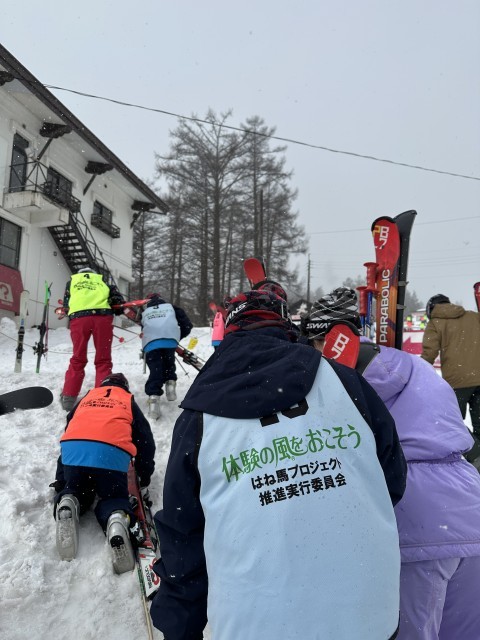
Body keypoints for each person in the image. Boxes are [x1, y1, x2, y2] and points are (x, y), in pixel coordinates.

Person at [149, 289, 406, 640]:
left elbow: (184, 536)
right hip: (369, 615)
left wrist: (179, 626)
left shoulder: (199, 415)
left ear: (229, 330)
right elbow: (391, 480)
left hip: (255, 624)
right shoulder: (345, 382)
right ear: (287, 327)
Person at [304, 287, 480, 640]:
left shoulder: (336, 384)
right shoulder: (416, 366)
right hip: (469, 507)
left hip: (412, 520)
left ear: (324, 340)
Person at [53, 372, 155, 574]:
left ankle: (69, 500)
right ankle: (116, 518)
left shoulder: (88, 397)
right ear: (124, 387)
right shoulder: (126, 400)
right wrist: (144, 476)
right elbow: (145, 441)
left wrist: (62, 481)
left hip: (74, 451)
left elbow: (70, 430)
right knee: (113, 496)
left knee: (78, 488)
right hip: (111, 455)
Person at [421, 293, 480, 466]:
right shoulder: (473, 316)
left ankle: (475, 456)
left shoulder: (435, 322)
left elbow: (429, 354)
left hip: (457, 382)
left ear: (431, 309)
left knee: (453, 424)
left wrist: (417, 372)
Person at [60, 267, 125, 412]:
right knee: (103, 359)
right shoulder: (103, 282)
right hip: (102, 317)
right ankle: (101, 396)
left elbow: (66, 305)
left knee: (78, 358)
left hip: (79, 318)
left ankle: (68, 397)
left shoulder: (72, 282)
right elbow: (118, 304)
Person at [140, 293, 193, 418]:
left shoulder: (145, 312)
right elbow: (187, 325)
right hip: (169, 341)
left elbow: (144, 329)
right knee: (169, 363)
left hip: (151, 343)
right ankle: (170, 388)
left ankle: (154, 402)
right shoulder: (172, 308)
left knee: (156, 369)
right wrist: (176, 337)